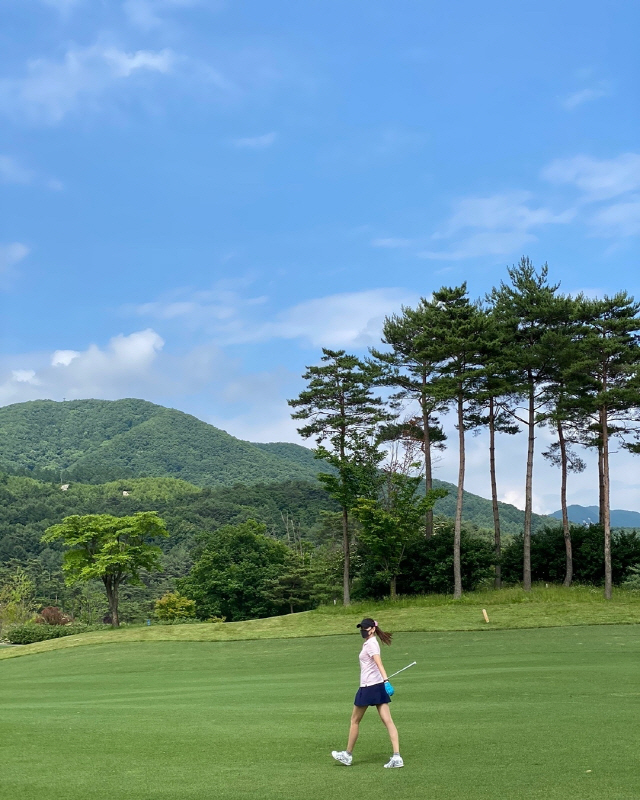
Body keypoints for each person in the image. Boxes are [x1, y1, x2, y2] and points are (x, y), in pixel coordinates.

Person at [331, 617, 403, 769]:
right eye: (361, 628)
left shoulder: (371, 645)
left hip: (369, 687)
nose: (362, 631)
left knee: (355, 721)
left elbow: (379, 664)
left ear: (373, 629)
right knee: (388, 721)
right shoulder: (370, 643)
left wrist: (386, 681)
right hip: (376, 687)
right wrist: (384, 682)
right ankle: (397, 757)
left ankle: (347, 755)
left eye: (365, 628)